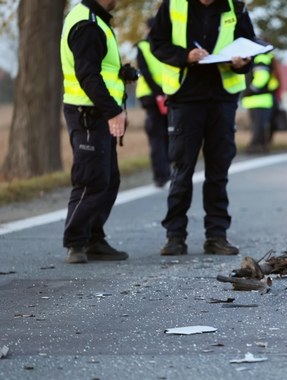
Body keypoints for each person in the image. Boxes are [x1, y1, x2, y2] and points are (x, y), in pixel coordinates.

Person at [149, 0, 255, 256]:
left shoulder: (235, 7)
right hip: (186, 99)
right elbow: (157, 44)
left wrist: (243, 63)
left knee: (218, 172)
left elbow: (249, 45)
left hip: (222, 100)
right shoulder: (173, 5)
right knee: (182, 170)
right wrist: (185, 56)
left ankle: (216, 236)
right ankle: (175, 236)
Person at [60, 0, 134, 264]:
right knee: (91, 178)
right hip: (88, 114)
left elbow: (99, 68)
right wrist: (113, 111)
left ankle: (93, 239)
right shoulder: (88, 25)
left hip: (95, 112)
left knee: (108, 179)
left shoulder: (97, 19)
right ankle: (76, 243)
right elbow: (87, 75)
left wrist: (122, 74)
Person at [135, 18, 171, 187]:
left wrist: (159, 93)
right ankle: (165, 174)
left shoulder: (143, 46)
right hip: (162, 95)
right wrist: (161, 93)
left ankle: (162, 176)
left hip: (154, 95)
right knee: (164, 136)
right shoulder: (168, 43)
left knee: (158, 137)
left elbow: (145, 72)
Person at [242, 51, 280, 153]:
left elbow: (262, 77)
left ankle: (254, 145)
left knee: (258, 126)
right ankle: (262, 146)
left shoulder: (261, 58)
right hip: (260, 100)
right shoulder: (266, 58)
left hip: (258, 99)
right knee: (260, 125)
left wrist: (250, 90)